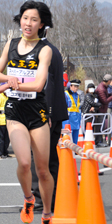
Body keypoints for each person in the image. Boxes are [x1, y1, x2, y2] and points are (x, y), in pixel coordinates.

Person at [0, 0, 55, 224]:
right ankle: (29, 198)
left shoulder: (45, 49)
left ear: (42, 24)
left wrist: (9, 84)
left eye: (34, 19)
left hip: (37, 111)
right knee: (24, 163)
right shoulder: (12, 43)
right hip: (15, 110)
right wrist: (9, 81)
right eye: (25, 18)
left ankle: (47, 215)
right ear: (20, 20)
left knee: (43, 169)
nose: (28, 23)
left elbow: (38, 84)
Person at [31, 33, 68, 212]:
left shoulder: (43, 51)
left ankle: (40, 198)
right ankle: (52, 198)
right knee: (50, 157)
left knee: (39, 156)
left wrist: (48, 113)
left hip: (46, 112)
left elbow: (48, 83)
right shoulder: (53, 49)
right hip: (54, 110)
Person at [95, 74, 112, 147]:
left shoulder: (103, 87)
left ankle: (99, 141)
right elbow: (104, 101)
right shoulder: (101, 88)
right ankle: (98, 141)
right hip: (101, 110)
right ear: (109, 81)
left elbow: (105, 96)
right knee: (100, 126)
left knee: (101, 126)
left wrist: (111, 94)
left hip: (102, 109)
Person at [63, 79, 82, 144]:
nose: (76, 88)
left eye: (77, 86)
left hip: (76, 118)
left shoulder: (77, 95)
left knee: (75, 137)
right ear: (70, 86)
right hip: (68, 119)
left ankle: (74, 151)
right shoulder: (65, 94)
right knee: (67, 137)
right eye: (75, 86)